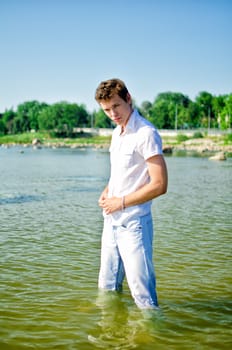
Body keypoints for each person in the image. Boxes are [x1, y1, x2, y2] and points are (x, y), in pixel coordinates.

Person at [95, 78, 168, 309]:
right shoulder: (117, 133)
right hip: (111, 221)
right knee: (106, 288)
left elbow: (160, 184)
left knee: (143, 295)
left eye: (116, 106)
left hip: (134, 224)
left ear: (128, 98)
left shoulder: (146, 133)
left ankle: (153, 339)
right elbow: (119, 173)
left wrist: (121, 202)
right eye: (106, 110)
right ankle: (110, 334)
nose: (112, 114)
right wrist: (107, 192)